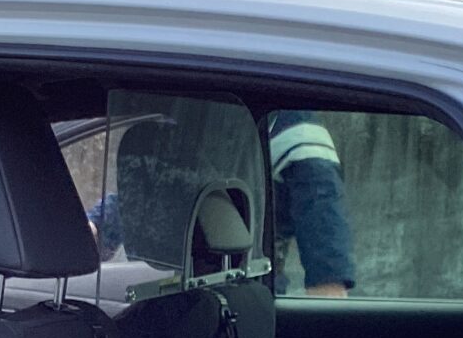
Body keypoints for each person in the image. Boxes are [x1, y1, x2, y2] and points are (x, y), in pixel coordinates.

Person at [86, 111, 356, 297]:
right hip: (179, 285)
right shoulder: (196, 116)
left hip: (249, 285)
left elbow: (322, 217)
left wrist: (328, 285)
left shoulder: (295, 133)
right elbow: (159, 186)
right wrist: (96, 226)